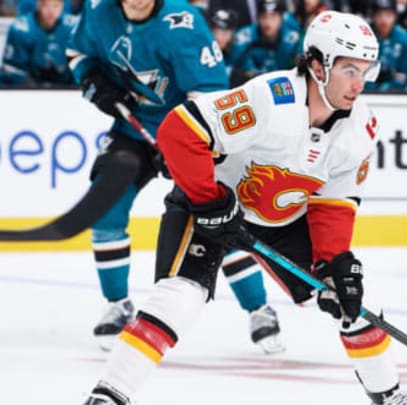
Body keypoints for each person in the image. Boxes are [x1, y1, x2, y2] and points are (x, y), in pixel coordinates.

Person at [82, 10, 407, 405]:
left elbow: (334, 203)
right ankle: (108, 395)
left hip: (283, 220)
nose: (359, 84)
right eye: (348, 70)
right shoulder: (269, 98)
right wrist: (208, 200)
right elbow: (179, 131)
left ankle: (389, 395)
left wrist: (333, 262)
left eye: (366, 70)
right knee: (180, 297)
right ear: (316, 65)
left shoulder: (361, 130)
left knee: (354, 304)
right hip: (210, 202)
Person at [66, 0, 283, 354]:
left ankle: (259, 308)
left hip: (188, 132)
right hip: (133, 131)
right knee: (106, 207)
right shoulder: (98, 10)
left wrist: (187, 147)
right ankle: (118, 304)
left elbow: (211, 99)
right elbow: (77, 53)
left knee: (215, 220)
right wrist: (92, 79)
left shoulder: (183, 25)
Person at [0, 0, 76, 86]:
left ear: (62, 6)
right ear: (38, 5)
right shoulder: (21, 28)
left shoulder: (74, 27)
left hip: (66, 89)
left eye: (56, 6)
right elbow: (11, 69)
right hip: (27, 90)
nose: (51, 11)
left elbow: (82, 64)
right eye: (46, 6)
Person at [228, 0, 300, 86]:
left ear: (282, 18)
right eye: (264, 17)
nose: (268, 23)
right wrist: (243, 75)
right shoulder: (243, 38)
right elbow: (226, 69)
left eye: (273, 17)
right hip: (248, 88)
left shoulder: (293, 40)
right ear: (257, 18)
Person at [365, 0, 407, 91]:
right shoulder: (364, 36)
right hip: (366, 84)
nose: (384, 20)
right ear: (373, 16)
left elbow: (403, 75)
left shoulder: (404, 38)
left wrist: (389, 87)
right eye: (379, 15)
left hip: (393, 88)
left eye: (388, 15)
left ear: (395, 16)